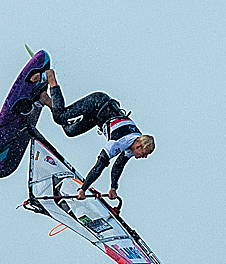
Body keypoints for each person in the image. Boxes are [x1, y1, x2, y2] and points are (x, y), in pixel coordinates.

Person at [28, 68, 155, 200]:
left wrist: (113, 187)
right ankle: (50, 77)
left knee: (70, 131)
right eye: (145, 153)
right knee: (60, 117)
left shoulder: (133, 144)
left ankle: (45, 99)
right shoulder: (120, 141)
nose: (144, 157)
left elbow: (118, 165)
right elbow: (100, 165)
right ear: (138, 146)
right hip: (97, 102)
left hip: (97, 117)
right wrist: (83, 189)